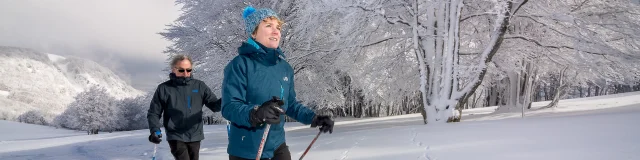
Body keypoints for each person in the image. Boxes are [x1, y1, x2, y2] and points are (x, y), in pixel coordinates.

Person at [221, 6, 335, 160]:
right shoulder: (240, 64)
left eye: (278, 27)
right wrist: (256, 113)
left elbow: (291, 105)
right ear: (253, 33)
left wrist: (314, 118)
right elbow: (229, 107)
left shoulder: (284, 68)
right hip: (246, 150)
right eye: (268, 25)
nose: (276, 31)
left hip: (277, 146)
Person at [147, 54, 222, 160]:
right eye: (181, 70)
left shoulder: (200, 86)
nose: (186, 73)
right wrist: (154, 130)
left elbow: (215, 106)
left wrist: (226, 99)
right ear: (174, 69)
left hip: (195, 133)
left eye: (189, 70)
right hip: (175, 134)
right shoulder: (164, 88)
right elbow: (154, 112)